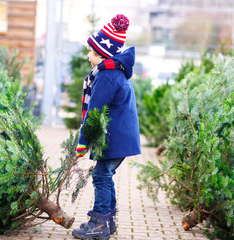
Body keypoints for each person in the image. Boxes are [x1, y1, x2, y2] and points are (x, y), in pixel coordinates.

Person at [72, 14, 141, 240]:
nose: (88, 56)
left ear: (102, 54)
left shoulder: (107, 75)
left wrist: (83, 141)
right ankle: (107, 220)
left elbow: (94, 113)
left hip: (114, 138)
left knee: (101, 176)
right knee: (106, 175)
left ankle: (99, 224)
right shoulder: (115, 71)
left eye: (91, 52)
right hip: (120, 137)